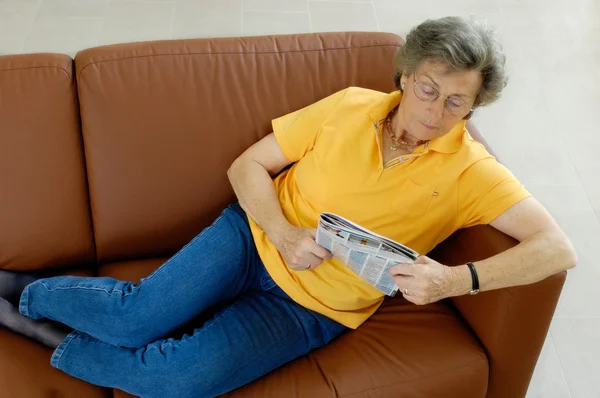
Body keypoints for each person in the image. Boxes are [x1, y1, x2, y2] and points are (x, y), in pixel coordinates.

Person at [0, 16, 577, 398]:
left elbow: (557, 249)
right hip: (253, 237)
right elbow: (246, 165)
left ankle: (48, 338)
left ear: (473, 109)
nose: (435, 111)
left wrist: (455, 280)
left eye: (457, 102)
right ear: (405, 74)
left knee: (176, 378)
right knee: (134, 318)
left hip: (312, 310)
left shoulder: (471, 171)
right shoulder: (351, 106)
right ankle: (25, 289)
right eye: (428, 88)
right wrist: (278, 230)